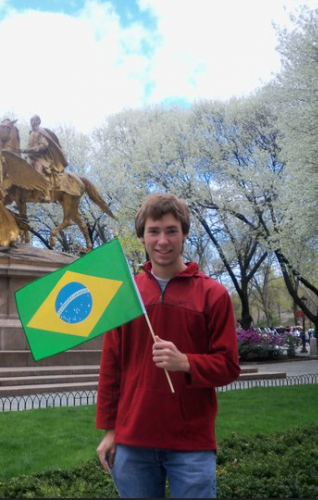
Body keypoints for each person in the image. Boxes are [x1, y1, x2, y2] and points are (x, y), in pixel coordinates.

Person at [96, 193, 241, 499]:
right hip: (133, 440)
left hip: (191, 445)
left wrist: (186, 362)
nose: (163, 240)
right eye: (154, 231)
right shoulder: (125, 294)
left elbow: (228, 365)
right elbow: (111, 368)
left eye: (172, 230)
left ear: (184, 234)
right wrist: (110, 430)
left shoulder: (213, 295)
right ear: (142, 236)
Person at [22, 115, 68, 200]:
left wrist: (32, 149)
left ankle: (46, 194)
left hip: (40, 157)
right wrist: (26, 150)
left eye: (33, 120)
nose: (31, 122)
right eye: (31, 120)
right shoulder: (31, 132)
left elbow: (44, 145)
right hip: (31, 156)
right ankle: (24, 194)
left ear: (38, 122)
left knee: (39, 171)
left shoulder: (41, 132)